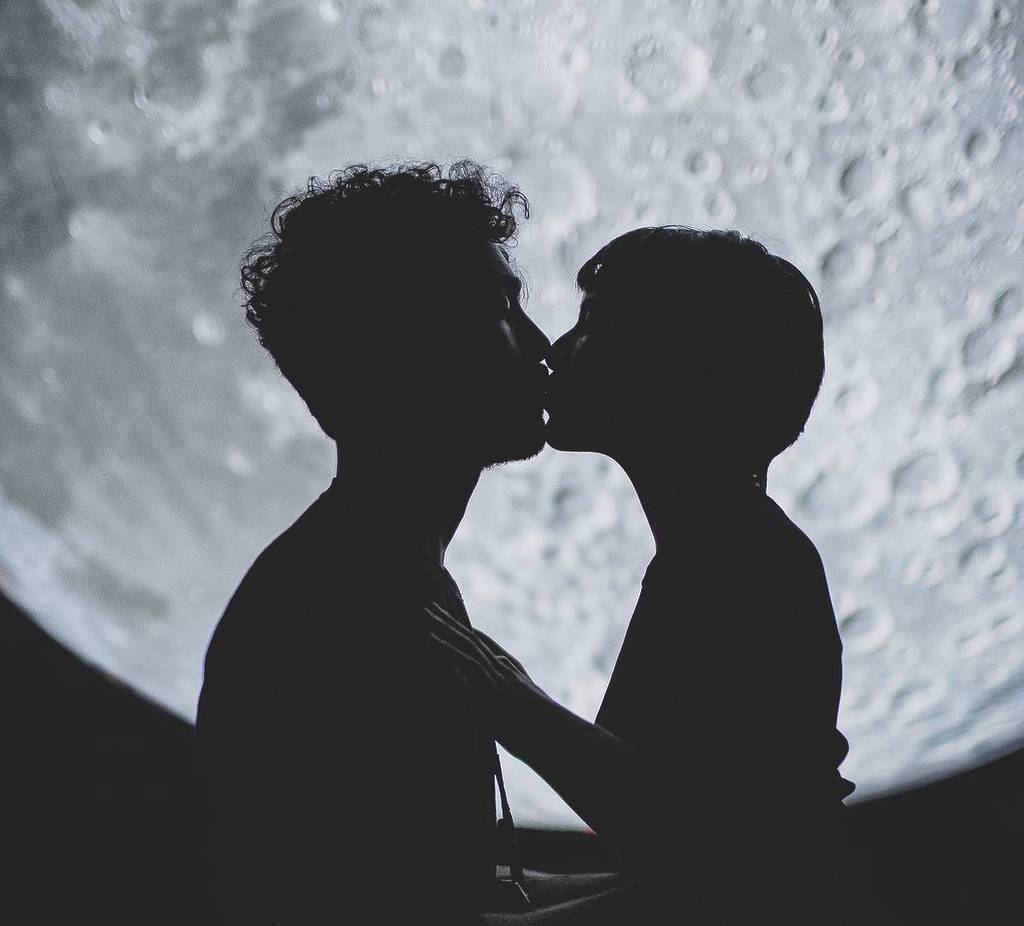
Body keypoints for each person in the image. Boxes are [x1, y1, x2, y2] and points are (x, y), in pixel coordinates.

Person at [425, 226, 855, 924]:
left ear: (678, 368)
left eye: (594, 324)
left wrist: (517, 708)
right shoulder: (720, 552)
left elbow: (741, 880)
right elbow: (680, 866)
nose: (556, 348)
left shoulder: (740, 565)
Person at [194, 160, 557, 924]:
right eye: (500, 306)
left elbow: (459, 887)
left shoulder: (358, 574)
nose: (541, 342)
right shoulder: (354, 608)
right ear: (401, 342)